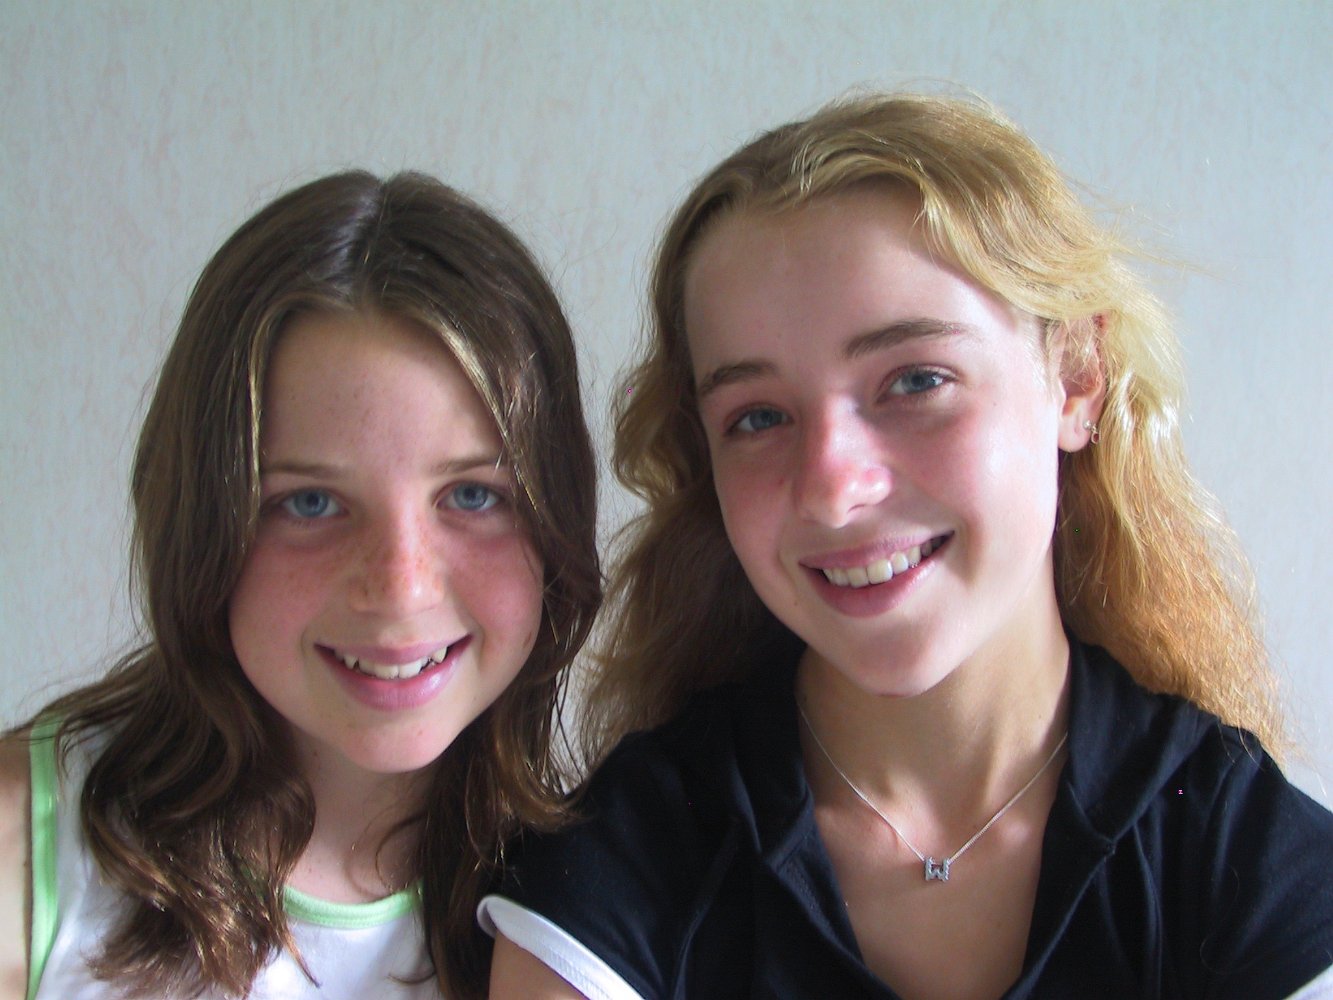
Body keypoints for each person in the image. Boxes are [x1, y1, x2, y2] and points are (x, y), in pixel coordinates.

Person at [483, 93, 1333, 999]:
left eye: (916, 380)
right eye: (757, 417)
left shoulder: (1241, 856)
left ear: (1076, 378)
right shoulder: (621, 862)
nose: (831, 486)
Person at [0, 170, 601, 1000]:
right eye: (309, 503)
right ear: (202, 525)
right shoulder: (23, 853)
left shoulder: (599, 901)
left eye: (472, 496)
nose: (400, 589)